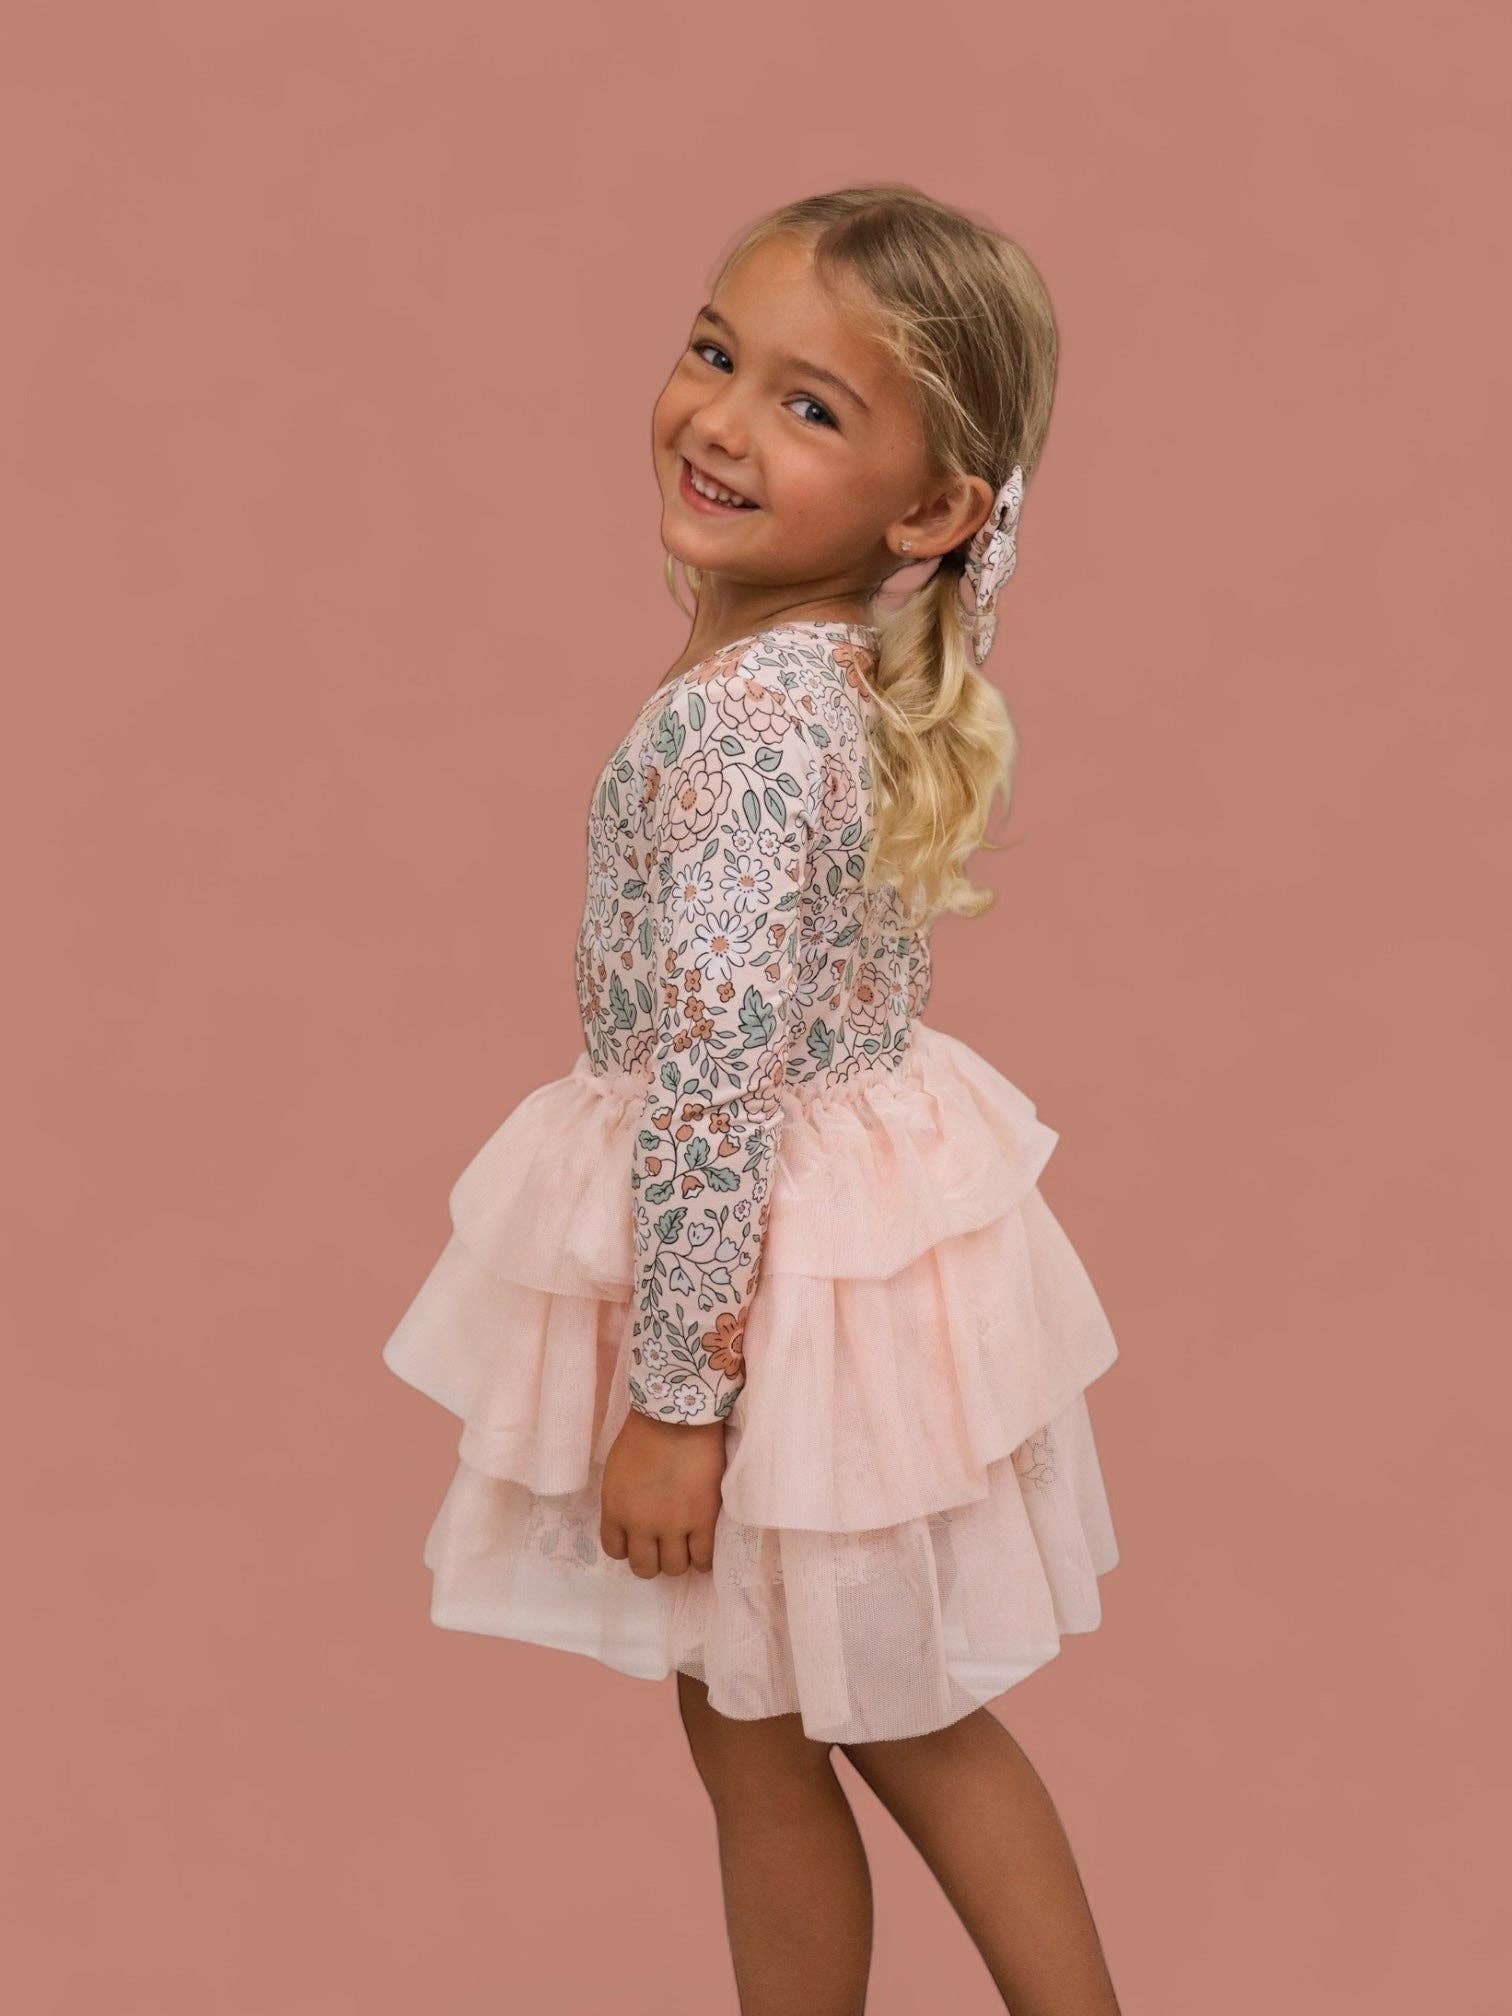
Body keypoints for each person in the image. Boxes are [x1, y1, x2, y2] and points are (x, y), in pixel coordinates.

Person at [383, 182, 1124, 2015]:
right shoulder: (814, 681)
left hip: (768, 1294)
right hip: (817, 1258)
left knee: (889, 1722)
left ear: (934, 509)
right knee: (767, 1721)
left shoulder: (740, 724)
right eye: (716, 353)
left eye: (809, 405)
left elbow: (717, 1077)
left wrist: (675, 1405)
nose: (720, 419)